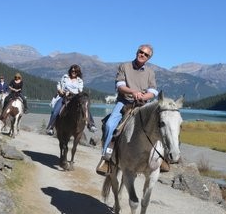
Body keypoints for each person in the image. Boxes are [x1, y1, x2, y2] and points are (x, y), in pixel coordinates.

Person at [96, 44, 159, 176]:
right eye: (141, 52)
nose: (142, 55)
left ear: (148, 58)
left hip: (143, 104)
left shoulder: (150, 72)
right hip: (124, 102)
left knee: (160, 127)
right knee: (109, 125)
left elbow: (153, 91)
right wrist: (134, 92)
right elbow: (120, 85)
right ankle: (106, 158)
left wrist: (143, 96)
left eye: (146, 54)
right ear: (137, 52)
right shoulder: (125, 66)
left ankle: (162, 160)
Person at [46, 64, 97, 135]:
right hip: (63, 97)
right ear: (70, 71)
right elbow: (59, 84)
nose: (74, 72)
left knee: (85, 108)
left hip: (75, 98)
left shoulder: (80, 81)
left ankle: (91, 125)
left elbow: (80, 91)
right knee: (55, 111)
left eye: (75, 71)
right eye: (72, 71)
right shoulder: (65, 77)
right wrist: (61, 90)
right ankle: (50, 127)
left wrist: (70, 92)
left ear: (78, 72)